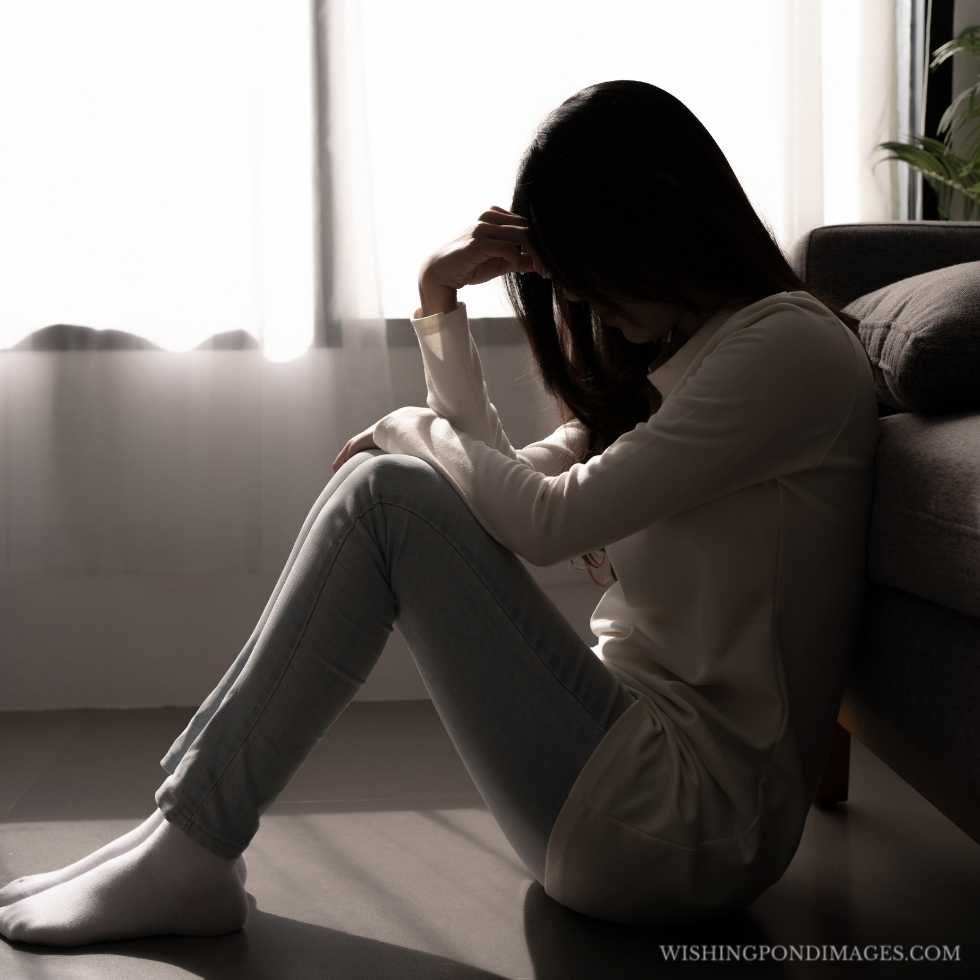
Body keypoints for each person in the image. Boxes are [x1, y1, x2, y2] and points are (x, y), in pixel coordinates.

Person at [0, 79, 878, 945]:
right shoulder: (692, 364)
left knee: (388, 488)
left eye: (586, 270)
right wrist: (437, 299)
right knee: (387, 490)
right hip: (616, 771)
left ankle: (192, 842)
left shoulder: (786, 349)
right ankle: (183, 832)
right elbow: (497, 492)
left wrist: (407, 425)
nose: (579, 301)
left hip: (689, 827)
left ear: (652, 227)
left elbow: (540, 520)